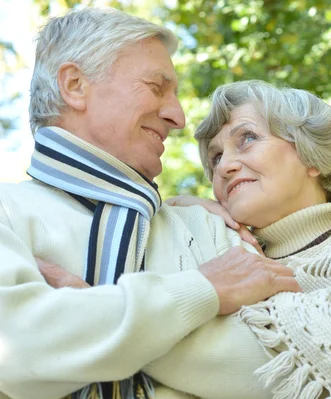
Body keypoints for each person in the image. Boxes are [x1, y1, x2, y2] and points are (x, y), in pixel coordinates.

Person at [45, 80, 331, 398]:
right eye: (216, 157)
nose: (226, 166)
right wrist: (176, 212)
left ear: (310, 155)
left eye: (247, 139)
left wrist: (110, 323)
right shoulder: (209, 251)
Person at [0, 9, 301, 399]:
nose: (177, 117)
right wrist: (203, 289)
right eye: (157, 87)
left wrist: (87, 321)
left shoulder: (207, 226)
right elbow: (18, 350)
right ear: (74, 85)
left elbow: (276, 373)